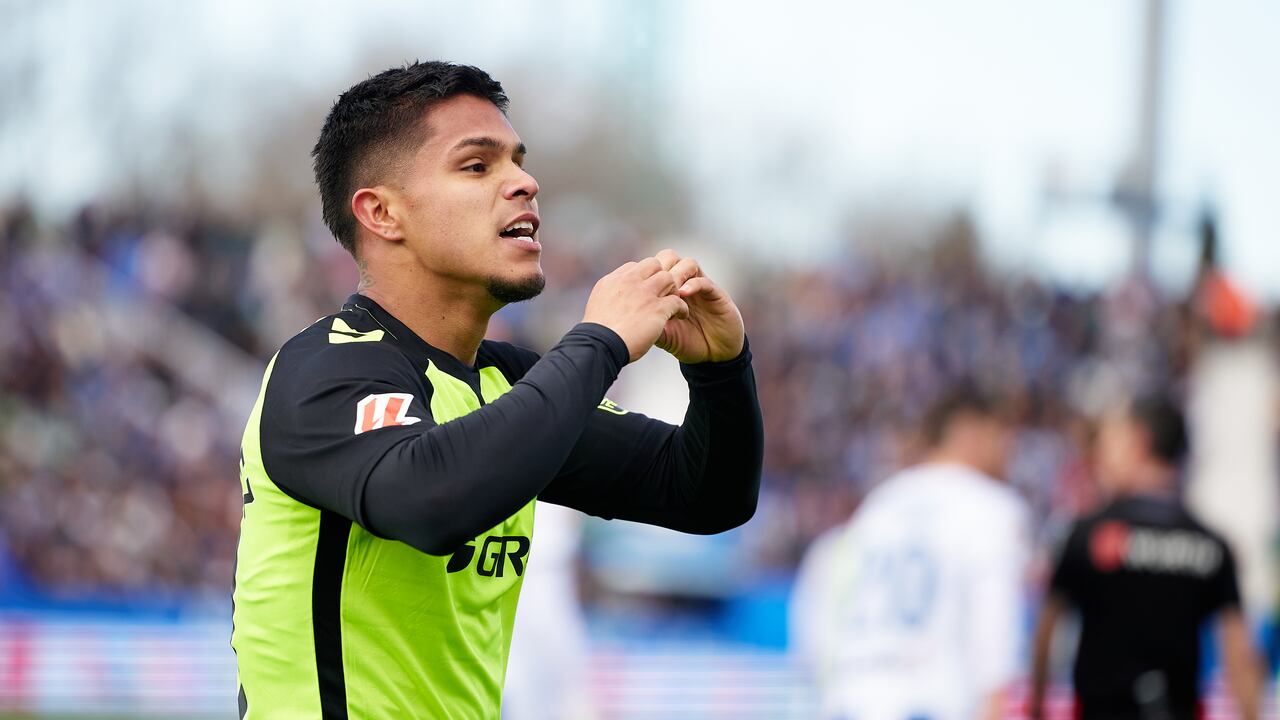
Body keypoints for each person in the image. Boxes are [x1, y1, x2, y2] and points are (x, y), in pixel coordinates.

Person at [230, 61, 763, 719]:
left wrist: (719, 370)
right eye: (478, 167)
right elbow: (430, 502)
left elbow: (706, 492)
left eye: (518, 161)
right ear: (381, 212)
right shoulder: (321, 368)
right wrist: (598, 342)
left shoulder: (506, 382)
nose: (525, 183)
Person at [791, 390, 1030, 720]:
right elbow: (994, 644)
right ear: (969, 432)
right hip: (932, 704)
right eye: (1001, 436)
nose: (1009, 450)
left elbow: (820, 632)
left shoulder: (880, 504)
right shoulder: (990, 506)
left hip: (850, 703)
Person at [1029, 395, 1260, 720]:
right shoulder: (1211, 545)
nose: (1101, 454)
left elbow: (1046, 633)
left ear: (1139, 443)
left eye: (1110, 441)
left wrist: (1038, 707)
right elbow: (1239, 655)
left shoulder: (1087, 534)